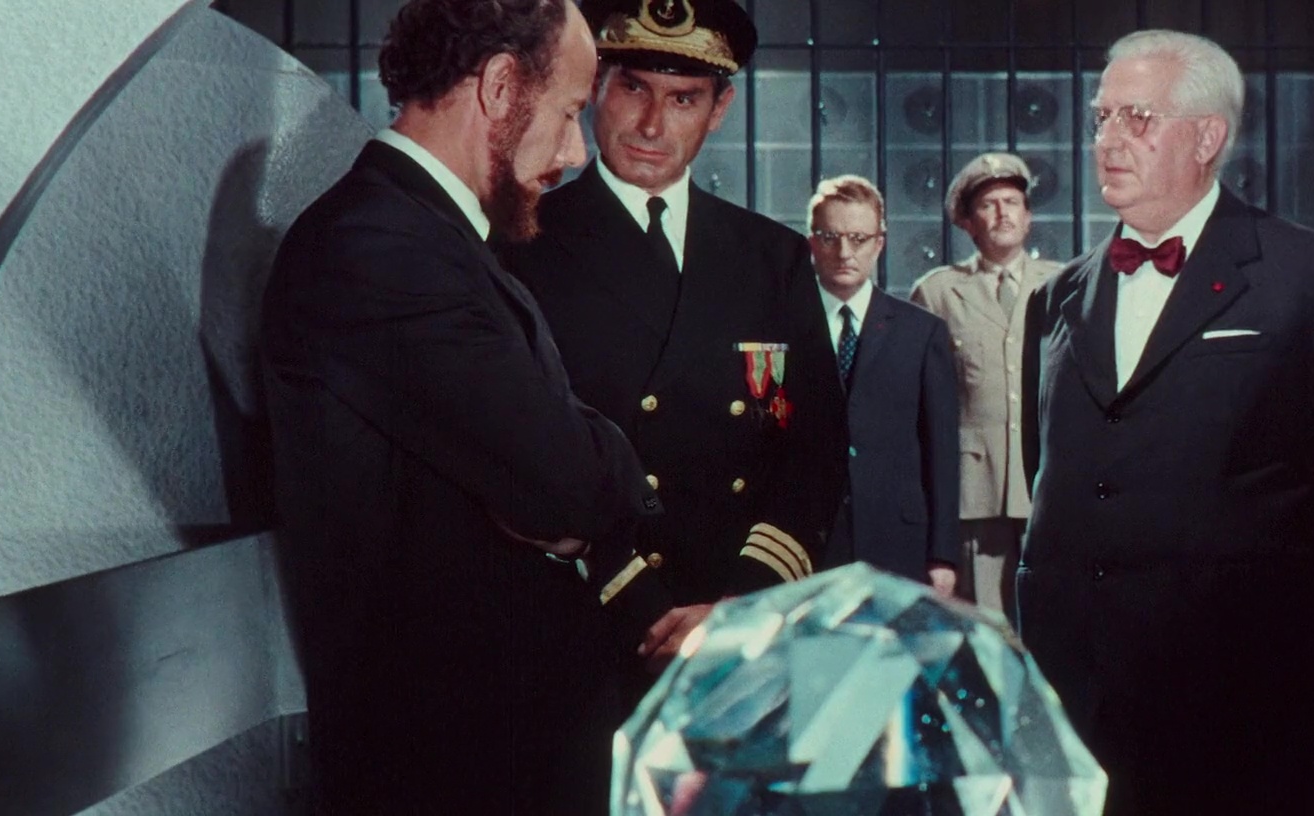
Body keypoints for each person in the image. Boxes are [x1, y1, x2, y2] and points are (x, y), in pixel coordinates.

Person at [261, 1, 696, 811]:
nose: (575, 151)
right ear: (500, 86)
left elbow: (558, 473)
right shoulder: (378, 246)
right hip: (446, 773)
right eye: (569, 112)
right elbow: (572, 483)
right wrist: (589, 473)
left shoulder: (429, 239)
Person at [1015, 29, 1314, 815]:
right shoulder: (1056, 297)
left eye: (1136, 118)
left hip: (1235, 706)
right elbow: (1051, 475)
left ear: (1207, 138)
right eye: (1101, 117)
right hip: (1076, 700)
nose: (1107, 139)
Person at [497, 0, 846, 606]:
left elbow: (814, 449)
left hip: (730, 610)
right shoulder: (519, 243)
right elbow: (505, 448)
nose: (652, 126)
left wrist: (744, 598)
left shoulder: (774, 257)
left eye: (684, 98)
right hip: (582, 605)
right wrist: (626, 589)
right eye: (634, 88)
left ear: (719, 109)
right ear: (595, 87)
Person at [909, 152, 1062, 618]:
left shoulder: (1064, 284)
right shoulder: (938, 291)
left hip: (1049, 487)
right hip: (977, 491)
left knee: (1051, 619)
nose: (1002, 214)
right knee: (988, 624)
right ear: (967, 222)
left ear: (1028, 217)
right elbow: (919, 404)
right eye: (988, 205)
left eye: (1012, 202)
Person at [805, 175, 959, 589]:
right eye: (831, 237)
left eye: (858, 239)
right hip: (804, 541)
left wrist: (943, 555)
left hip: (898, 540)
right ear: (812, 243)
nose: (845, 252)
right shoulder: (784, 325)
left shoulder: (921, 332)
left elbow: (942, 451)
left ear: (879, 243)